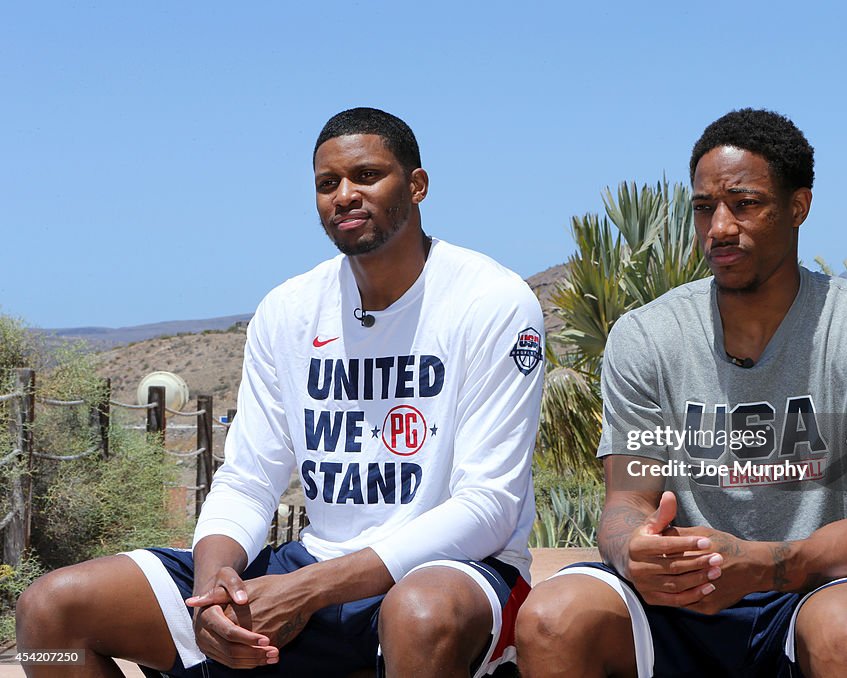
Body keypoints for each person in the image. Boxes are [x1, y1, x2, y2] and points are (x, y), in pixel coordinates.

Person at [17, 107, 545, 677]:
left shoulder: (492, 302)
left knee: (419, 613)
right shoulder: (288, 311)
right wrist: (215, 582)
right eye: (327, 184)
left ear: (416, 186)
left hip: (450, 576)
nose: (344, 195)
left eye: (366, 176)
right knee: (52, 613)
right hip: (309, 569)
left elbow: (488, 508)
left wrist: (309, 589)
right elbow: (247, 479)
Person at [516, 108, 847, 677]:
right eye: (703, 208)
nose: (718, 227)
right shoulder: (648, 336)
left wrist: (764, 566)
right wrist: (633, 549)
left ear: (799, 207)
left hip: (817, 591)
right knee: (554, 617)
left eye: (744, 204)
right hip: (678, 601)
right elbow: (626, 503)